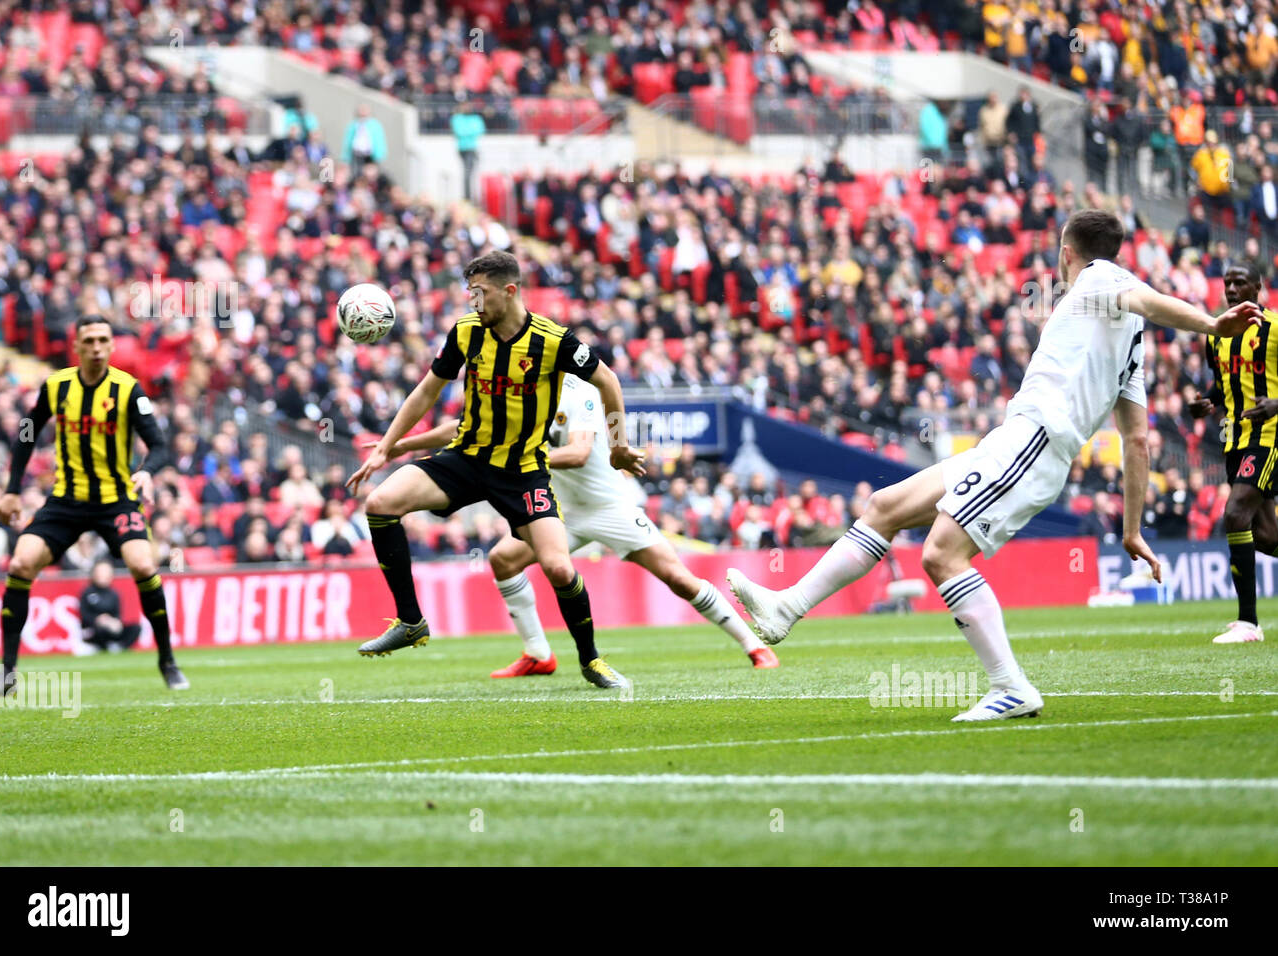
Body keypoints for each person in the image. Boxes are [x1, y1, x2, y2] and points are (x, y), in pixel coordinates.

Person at [727, 210, 1262, 722]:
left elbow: (1143, 298)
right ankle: (786, 608)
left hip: (1032, 444)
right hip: (1014, 442)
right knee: (884, 507)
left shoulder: (1100, 279)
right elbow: (1138, 440)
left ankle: (1010, 686)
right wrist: (1131, 530)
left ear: (1066, 253)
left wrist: (1213, 326)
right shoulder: (1129, 345)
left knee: (941, 555)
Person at [345, 251, 646, 688]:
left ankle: (591, 660)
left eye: (480, 293)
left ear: (509, 291)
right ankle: (411, 622)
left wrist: (618, 448)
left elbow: (609, 382)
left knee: (560, 570)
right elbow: (426, 391)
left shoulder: (553, 340)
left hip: (523, 471)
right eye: (470, 293)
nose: (474, 303)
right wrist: (386, 448)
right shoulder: (466, 333)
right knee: (380, 503)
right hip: (466, 458)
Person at [380, 375, 778, 677]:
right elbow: (466, 429)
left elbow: (578, 452)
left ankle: (753, 646)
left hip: (608, 507)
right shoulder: (517, 389)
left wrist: (517, 452)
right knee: (502, 560)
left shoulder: (579, 391)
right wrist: (403, 444)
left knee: (678, 578)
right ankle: (538, 654)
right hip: (560, 510)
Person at [0, 316, 188, 697]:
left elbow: (159, 445)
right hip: (68, 500)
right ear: (76, 347)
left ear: (111, 346)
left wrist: (146, 472)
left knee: (144, 564)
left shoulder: (128, 390)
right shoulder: (56, 386)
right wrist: (11, 490)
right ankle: (8, 672)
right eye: (88, 340)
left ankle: (167, 660)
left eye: (102, 340)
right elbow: (27, 434)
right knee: (21, 562)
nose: (96, 347)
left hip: (116, 499)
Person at [1187, 263, 1278, 644]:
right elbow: (1222, 382)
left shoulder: (1274, 329)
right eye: (1227, 283)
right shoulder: (1217, 333)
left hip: (1271, 436)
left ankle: (1248, 623)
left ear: (1258, 286)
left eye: (1240, 282)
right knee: (1266, 535)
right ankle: (1247, 622)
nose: (1231, 289)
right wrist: (1206, 401)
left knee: (1235, 513)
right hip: (1235, 440)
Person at [78, 559, 141, 653]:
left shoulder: (114, 594)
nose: (103, 575)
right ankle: (102, 647)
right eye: (100, 572)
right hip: (95, 629)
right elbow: (84, 615)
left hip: (111, 626)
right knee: (100, 631)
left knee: (135, 628)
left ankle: (120, 647)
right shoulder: (87, 592)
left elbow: (118, 614)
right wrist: (98, 620)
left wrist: (113, 622)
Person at [450, 102, 485, 203]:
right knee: (467, 173)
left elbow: (480, 130)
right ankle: (467, 197)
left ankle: (472, 196)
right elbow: (459, 131)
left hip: (472, 149)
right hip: (464, 149)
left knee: (471, 173)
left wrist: (467, 131)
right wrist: (470, 131)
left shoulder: (475, 118)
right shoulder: (457, 118)